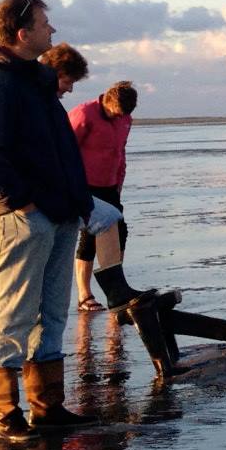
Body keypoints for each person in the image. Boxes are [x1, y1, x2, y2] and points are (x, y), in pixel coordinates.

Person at [0, 0, 96, 441]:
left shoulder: (38, 83)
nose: (52, 30)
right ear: (23, 34)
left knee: (53, 312)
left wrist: (78, 203)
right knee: (15, 311)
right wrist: (24, 207)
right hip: (25, 217)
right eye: (44, 24)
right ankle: (6, 414)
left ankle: (47, 405)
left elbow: (60, 151)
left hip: (60, 214)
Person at [70, 81, 139, 311]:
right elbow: (65, 148)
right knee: (89, 239)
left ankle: (116, 290)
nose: (118, 117)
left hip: (110, 185)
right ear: (108, 101)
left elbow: (121, 152)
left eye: (123, 115)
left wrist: (120, 180)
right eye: (115, 113)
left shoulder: (125, 119)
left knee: (121, 232)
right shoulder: (84, 113)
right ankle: (84, 294)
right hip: (85, 185)